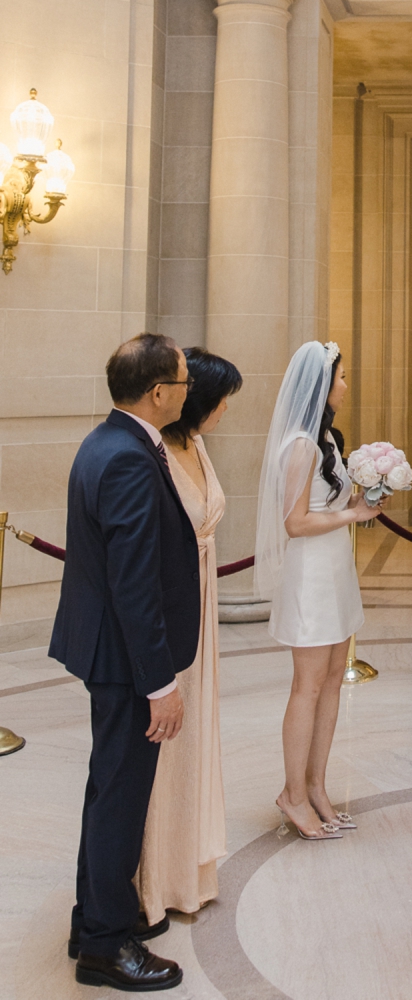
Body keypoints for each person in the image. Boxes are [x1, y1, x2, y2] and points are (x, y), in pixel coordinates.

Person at [49, 334, 200, 992]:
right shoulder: (132, 458)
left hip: (104, 646)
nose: (188, 390)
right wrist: (160, 683)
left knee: (106, 787)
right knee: (119, 797)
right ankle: (107, 949)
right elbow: (133, 581)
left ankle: (95, 917)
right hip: (125, 656)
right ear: (159, 392)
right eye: (184, 380)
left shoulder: (104, 441)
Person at [254, 341, 379, 840]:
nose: (347, 385)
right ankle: (292, 793)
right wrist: (353, 514)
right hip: (309, 574)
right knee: (307, 685)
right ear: (322, 385)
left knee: (332, 680)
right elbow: (295, 522)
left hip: (335, 570)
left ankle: (317, 785)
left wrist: (368, 493)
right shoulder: (301, 443)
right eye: (342, 377)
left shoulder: (325, 438)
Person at [137, 348, 243, 927]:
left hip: (201, 603)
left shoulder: (197, 446)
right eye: (223, 399)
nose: (227, 410)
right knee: (165, 743)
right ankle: (154, 877)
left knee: (196, 735)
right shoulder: (152, 455)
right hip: (171, 609)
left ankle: (189, 868)